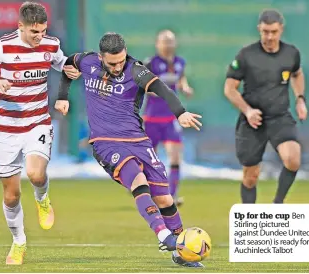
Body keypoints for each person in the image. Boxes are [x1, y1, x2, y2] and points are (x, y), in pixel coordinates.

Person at [55, 32, 204, 268]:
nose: (117, 67)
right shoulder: (87, 61)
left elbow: (163, 89)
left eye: (121, 61)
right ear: (101, 57)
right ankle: (164, 237)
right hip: (106, 142)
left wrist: (181, 112)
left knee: (165, 198)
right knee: (137, 180)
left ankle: (181, 252)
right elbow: (67, 65)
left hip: (138, 140)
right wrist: (63, 96)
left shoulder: (136, 69)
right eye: (112, 63)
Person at [0, 1, 81, 265]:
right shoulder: (0, 46)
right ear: (21, 27)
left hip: (37, 122)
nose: (39, 37)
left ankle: (43, 199)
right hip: (5, 129)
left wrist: (67, 77)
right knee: (11, 195)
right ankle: (19, 243)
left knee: (36, 174)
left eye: (42, 31)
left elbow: (61, 63)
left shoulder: (50, 44)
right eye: (33, 32)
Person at [224, 9, 307, 204]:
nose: (269, 36)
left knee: (293, 159)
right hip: (253, 120)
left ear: (281, 30)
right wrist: (247, 110)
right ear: (259, 29)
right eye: (265, 32)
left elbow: (296, 74)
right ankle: (249, 217)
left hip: (280, 117)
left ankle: (277, 205)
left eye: (273, 32)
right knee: (250, 177)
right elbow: (229, 89)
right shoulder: (246, 55)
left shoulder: (291, 53)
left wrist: (300, 98)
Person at [143, 30, 194, 206]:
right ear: (158, 44)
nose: (168, 45)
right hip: (152, 119)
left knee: (175, 157)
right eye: (165, 41)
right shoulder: (151, 63)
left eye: (171, 41)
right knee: (150, 160)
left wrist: (185, 87)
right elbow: (142, 87)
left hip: (171, 118)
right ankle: (147, 192)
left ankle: (171, 196)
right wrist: (158, 91)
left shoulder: (180, 63)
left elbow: (181, 79)